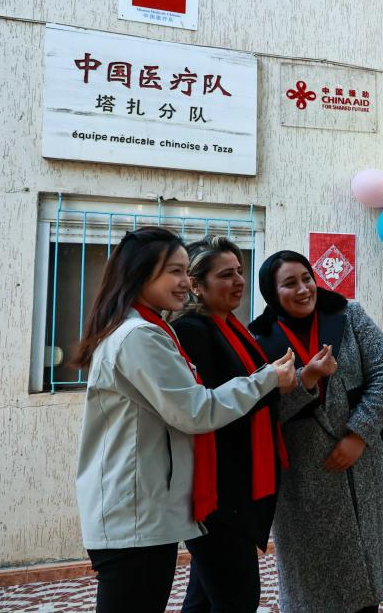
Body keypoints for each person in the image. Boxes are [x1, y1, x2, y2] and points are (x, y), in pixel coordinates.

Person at [72, 227, 301, 613]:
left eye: (185, 271)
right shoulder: (141, 336)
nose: (184, 282)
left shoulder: (152, 330)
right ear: (141, 274)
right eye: (175, 272)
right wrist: (267, 380)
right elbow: (196, 411)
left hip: (146, 513)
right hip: (135, 515)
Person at [171, 236, 334, 612]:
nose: (238, 281)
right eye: (226, 274)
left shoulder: (231, 327)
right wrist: (275, 381)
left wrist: (302, 376)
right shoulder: (193, 330)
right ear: (197, 285)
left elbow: (256, 395)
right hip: (219, 490)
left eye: (240, 272)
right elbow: (211, 406)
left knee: (205, 598)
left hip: (237, 489)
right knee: (237, 599)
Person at [250, 250, 383, 613]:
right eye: (289, 283)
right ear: (272, 293)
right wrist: (307, 378)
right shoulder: (260, 338)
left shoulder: (348, 315)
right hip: (305, 475)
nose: (303, 289)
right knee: (312, 585)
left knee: (364, 579)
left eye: (307, 278)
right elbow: (263, 411)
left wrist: (358, 435)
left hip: (363, 464)